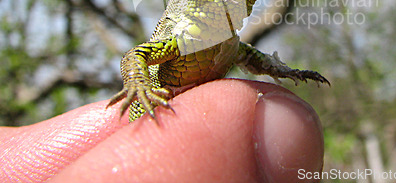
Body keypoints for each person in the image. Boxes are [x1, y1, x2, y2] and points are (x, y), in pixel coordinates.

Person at [0, 79, 324, 183]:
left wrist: (279, 70)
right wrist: (139, 84)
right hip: (143, 120)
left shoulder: (224, 36)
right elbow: (136, 55)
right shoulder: (182, 29)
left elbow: (243, 54)